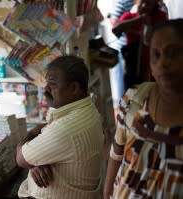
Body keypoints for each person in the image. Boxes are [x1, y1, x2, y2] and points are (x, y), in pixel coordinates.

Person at [104, 19, 183, 199]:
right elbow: (117, 152)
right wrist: (107, 191)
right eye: (156, 55)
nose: (163, 63)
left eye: (172, 53)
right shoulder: (134, 99)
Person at [16, 55, 104, 199]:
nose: (46, 89)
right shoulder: (86, 109)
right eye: (46, 83)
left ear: (74, 88)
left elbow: (20, 158)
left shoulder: (67, 128)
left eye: (53, 85)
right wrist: (35, 163)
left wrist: (33, 131)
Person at [112, 0, 167, 89]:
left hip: (155, 70)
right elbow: (115, 30)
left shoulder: (160, 16)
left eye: (148, 3)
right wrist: (138, 20)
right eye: (142, 2)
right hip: (133, 71)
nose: (145, 6)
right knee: (130, 100)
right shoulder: (130, 16)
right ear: (137, 2)